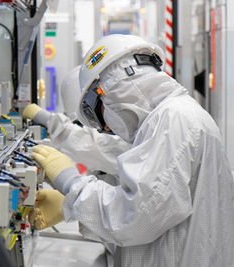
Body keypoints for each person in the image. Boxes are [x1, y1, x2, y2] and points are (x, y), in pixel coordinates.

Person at [28, 34, 234, 266]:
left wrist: (72, 185)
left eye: (97, 115)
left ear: (109, 91)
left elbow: (135, 216)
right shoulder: (166, 118)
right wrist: (71, 206)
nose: (105, 127)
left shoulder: (173, 120)